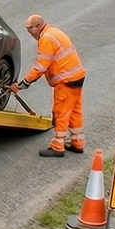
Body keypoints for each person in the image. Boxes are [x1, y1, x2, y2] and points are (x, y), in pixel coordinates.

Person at [11, 14, 86, 157]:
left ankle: (58, 146)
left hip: (66, 80)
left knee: (60, 113)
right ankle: (77, 143)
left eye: (30, 30)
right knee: (75, 111)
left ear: (38, 26)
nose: (29, 33)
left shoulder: (46, 38)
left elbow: (40, 67)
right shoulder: (52, 32)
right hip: (77, 76)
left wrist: (22, 84)